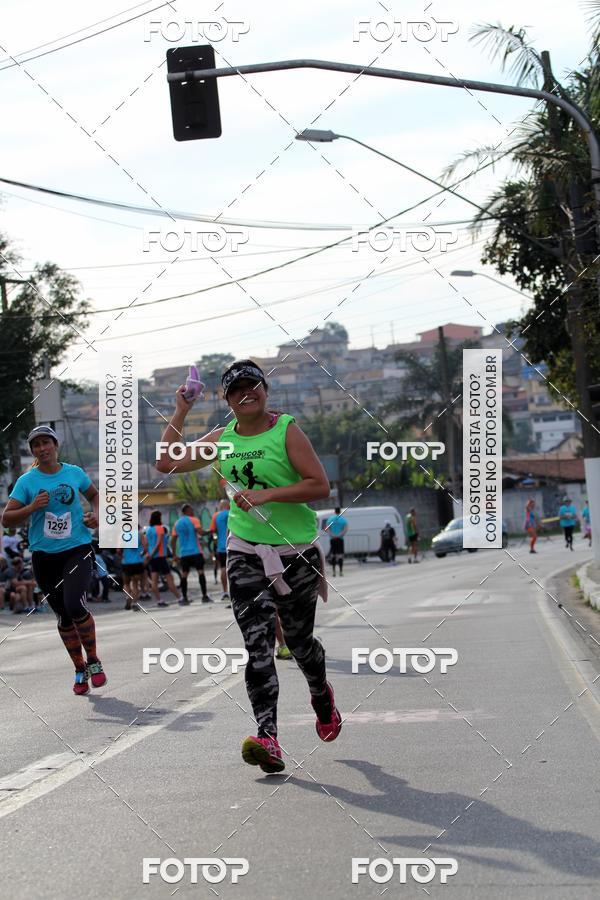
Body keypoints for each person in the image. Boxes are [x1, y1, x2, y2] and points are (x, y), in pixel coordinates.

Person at [157, 359, 341, 774]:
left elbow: (319, 485)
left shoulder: (285, 429)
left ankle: (321, 693)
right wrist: (181, 411)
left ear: (265, 390)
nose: (246, 393)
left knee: (300, 644)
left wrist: (267, 495)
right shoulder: (222, 439)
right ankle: (267, 736)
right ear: (227, 400)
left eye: (252, 385)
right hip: (244, 552)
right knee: (258, 645)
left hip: (295, 553)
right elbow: (166, 463)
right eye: (236, 389)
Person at [1, 425, 107, 695]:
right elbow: (7, 519)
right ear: (33, 451)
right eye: (36, 445)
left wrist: (96, 515)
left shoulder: (74, 473)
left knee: (74, 605)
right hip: (44, 556)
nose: (42, 448)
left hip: (77, 549)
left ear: (55, 445)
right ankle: (79, 667)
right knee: (63, 615)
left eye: (46, 443)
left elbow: (95, 496)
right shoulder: (27, 481)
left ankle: (93, 660)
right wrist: (31, 507)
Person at [172, 504, 212, 604]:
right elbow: (201, 532)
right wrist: (211, 530)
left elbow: (173, 540)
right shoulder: (194, 520)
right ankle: (204, 596)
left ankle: (184, 598)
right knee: (200, 572)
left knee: (184, 574)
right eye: (191, 510)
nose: (193, 511)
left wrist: (174, 554)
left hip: (184, 553)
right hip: (196, 552)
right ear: (187, 511)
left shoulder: (177, 523)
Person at [145, 510, 182, 606]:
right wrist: (153, 554)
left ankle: (159, 600)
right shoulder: (160, 529)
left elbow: (147, 544)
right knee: (170, 578)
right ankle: (180, 598)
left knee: (154, 581)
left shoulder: (148, 530)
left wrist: (148, 555)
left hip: (153, 559)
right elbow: (158, 544)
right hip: (160, 557)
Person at [120, 526, 148, 610]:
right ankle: (135, 603)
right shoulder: (140, 534)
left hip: (126, 562)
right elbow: (145, 548)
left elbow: (118, 550)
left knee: (126, 583)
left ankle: (128, 597)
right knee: (135, 584)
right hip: (137, 562)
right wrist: (141, 555)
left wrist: (123, 556)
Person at [212, 499, 231, 604]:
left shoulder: (216, 516)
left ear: (220, 506)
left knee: (223, 568)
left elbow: (213, 531)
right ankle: (233, 591)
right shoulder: (231, 513)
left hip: (220, 547)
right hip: (232, 545)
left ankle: (225, 592)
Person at [325, 507, 348, 576]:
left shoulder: (330, 519)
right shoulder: (343, 519)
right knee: (340, 555)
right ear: (340, 511)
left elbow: (326, 529)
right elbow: (345, 529)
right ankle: (341, 572)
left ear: (334, 511)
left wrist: (332, 535)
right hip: (340, 539)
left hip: (332, 539)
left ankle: (334, 572)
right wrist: (339, 535)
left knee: (333, 555)